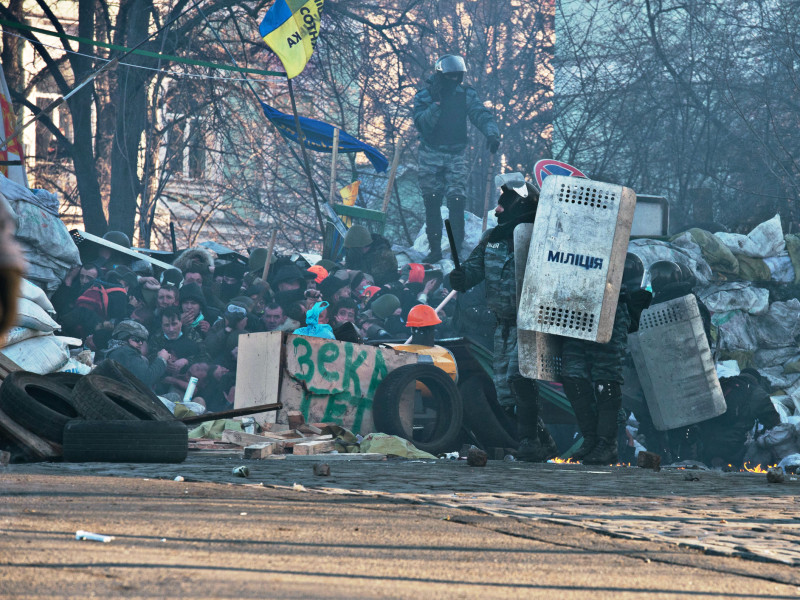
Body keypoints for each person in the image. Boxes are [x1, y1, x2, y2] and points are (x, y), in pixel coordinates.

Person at [448, 175, 555, 461]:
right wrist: (461, 277)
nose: (497, 210)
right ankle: (544, 441)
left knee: (520, 379)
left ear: (520, 206)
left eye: (504, 205)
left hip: (532, 324)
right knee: (505, 395)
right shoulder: (492, 239)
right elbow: (474, 268)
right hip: (503, 327)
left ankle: (529, 442)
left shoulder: (542, 238)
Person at [413, 54, 500, 261]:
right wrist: (436, 104)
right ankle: (435, 250)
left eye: (457, 76)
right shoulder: (425, 96)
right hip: (430, 153)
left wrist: (492, 133)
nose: (454, 81)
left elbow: (480, 113)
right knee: (432, 201)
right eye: (450, 76)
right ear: (441, 76)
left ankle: (455, 250)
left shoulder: (465, 94)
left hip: (456, 154)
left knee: (457, 200)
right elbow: (422, 124)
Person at [560, 256, 640, 465]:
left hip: (610, 310)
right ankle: (591, 438)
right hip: (576, 308)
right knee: (573, 377)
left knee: (606, 380)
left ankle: (607, 443)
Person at [104, 320, 169, 388]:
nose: (140, 343)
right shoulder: (125, 352)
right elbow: (147, 378)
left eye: (142, 340)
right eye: (136, 339)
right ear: (123, 337)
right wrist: (162, 359)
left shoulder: (117, 351)